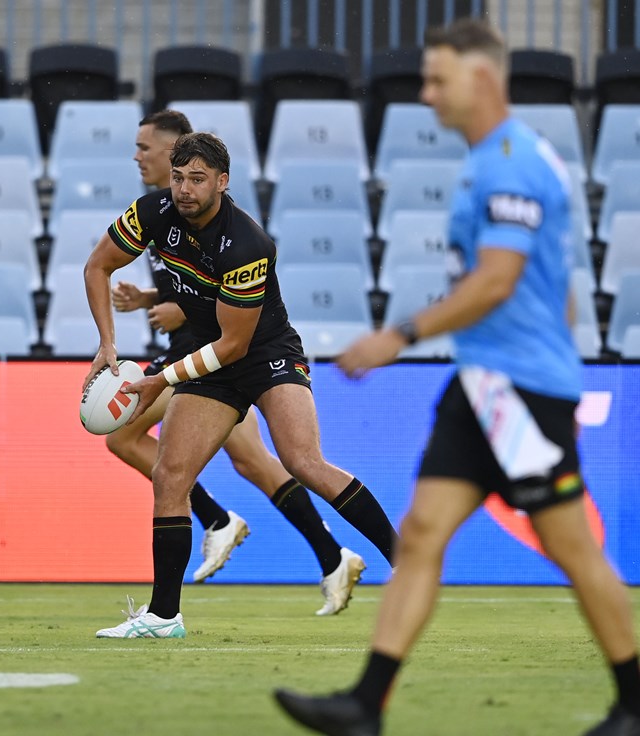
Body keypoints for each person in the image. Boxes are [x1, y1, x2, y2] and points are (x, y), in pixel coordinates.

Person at [274, 18, 640, 736]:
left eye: (438, 78)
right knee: (420, 535)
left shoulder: (510, 163)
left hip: (522, 394)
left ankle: (633, 703)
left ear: (482, 78)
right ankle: (366, 705)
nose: (426, 91)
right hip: (483, 387)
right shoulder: (496, 158)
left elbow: (498, 280)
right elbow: (554, 285)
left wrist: (399, 335)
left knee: (573, 549)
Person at [83, 131, 399, 639]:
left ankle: (404, 562)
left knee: (301, 460)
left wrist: (160, 378)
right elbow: (97, 265)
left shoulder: (246, 243)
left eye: (198, 180)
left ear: (222, 182)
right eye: (179, 177)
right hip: (211, 359)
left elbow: (234, 345)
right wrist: (107, 343)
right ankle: (165, 616)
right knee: (170, 476)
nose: (184, 189)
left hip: (265, 352)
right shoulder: (152, 211)